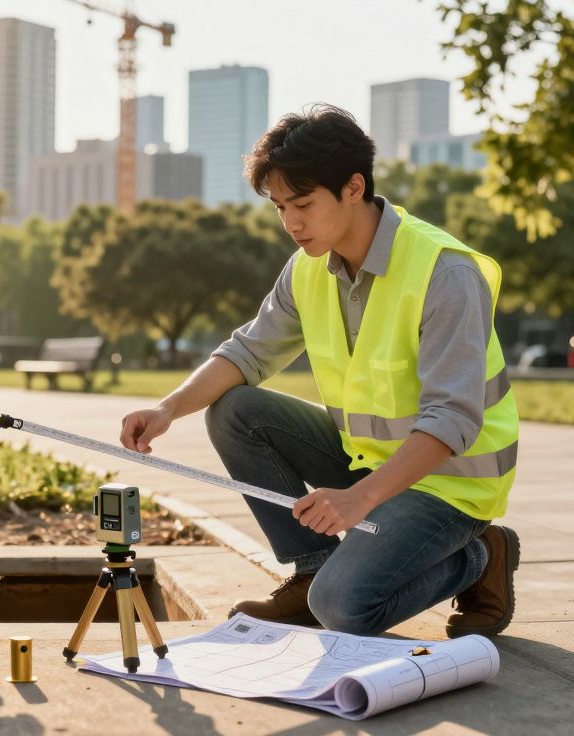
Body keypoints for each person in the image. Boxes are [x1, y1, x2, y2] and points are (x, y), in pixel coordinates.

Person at [119, 105, 520, 639]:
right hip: (370, 464)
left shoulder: (445, 272)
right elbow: (247, 353)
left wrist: (359, 500)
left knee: (346, 608)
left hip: (452, 483)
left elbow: (452, 420)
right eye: (281, 207)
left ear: (354, 187)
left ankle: (479, 556)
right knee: (236, 410)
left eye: (303, 203)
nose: (291, 223)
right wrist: (167, 408)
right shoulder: (308, 267)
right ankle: (310, 573)